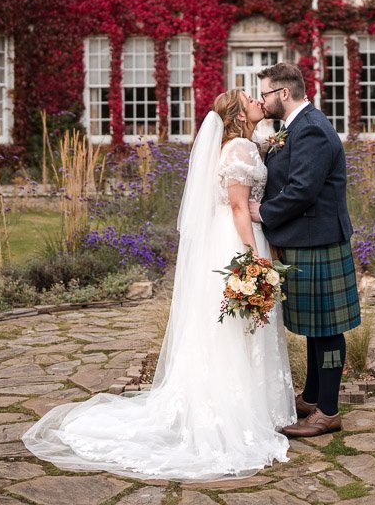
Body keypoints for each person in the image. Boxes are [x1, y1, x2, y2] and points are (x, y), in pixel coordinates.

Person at [22, 90, 296, 481]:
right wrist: (253, 257)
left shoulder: (248, 143)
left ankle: (252, 405)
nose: (257, 100)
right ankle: (236, 410)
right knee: (238, 323)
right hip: (238, 239)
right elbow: (237, 206)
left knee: (240, 321)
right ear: (237, 115)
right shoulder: (239, 148)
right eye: (249, 98)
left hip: (237, 235)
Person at [249, 62, 361, 438]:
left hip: (318, 241)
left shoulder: (311, 129)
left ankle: (327, 412)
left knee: (327, 329)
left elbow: (301, 190)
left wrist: (261, 213)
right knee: (316, 328)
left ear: (284, 93)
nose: (262, 100)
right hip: (308, 239)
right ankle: (313, 397)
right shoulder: (294, 127)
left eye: (265, 93)